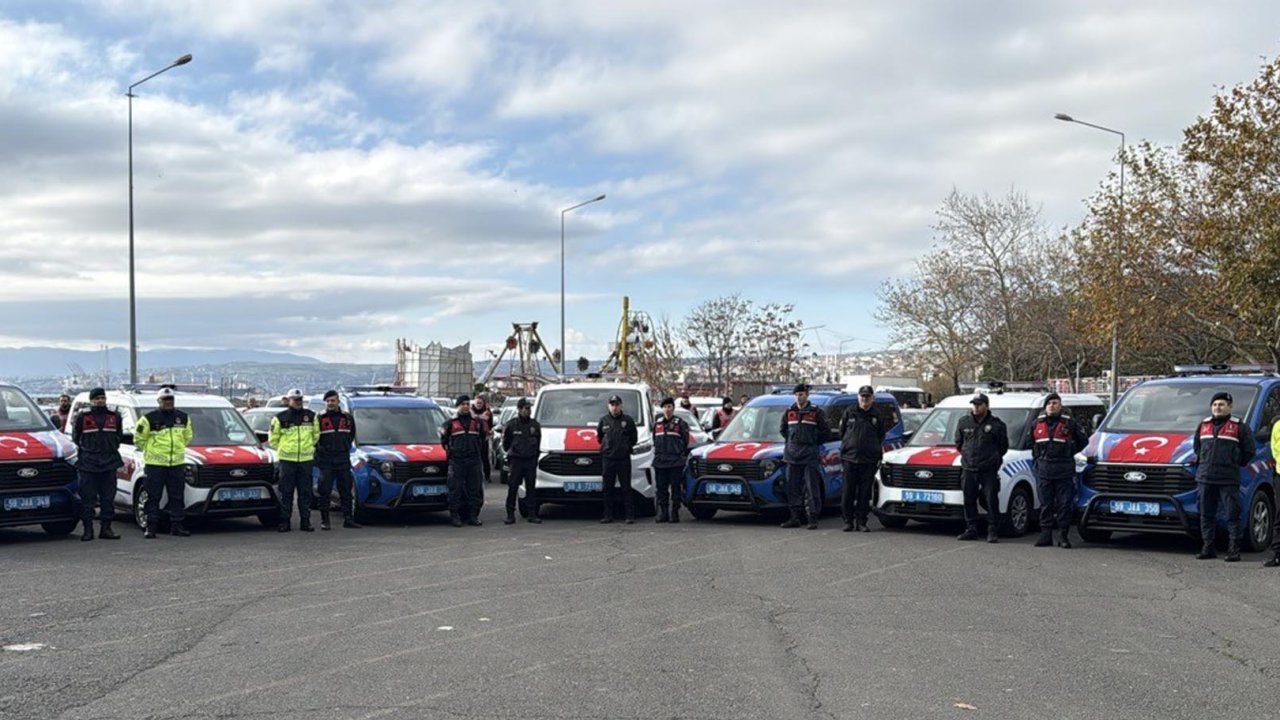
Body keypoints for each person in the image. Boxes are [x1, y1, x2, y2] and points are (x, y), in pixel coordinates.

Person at [1193, 391, 1254, 561]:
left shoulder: (1239, 426)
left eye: (1221, 404)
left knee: (1232, 515)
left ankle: (1234, 549)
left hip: (1228, 478)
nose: (1217, 407)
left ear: (1230, 406)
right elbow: (1197, 448)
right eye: (1214, 405)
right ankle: (1208, 548)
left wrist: (1233, 463)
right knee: (1206, 514)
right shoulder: (1203, 425)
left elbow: (1249, 451)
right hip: (1205, 477)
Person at [133, 386, 193, 538]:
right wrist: (152, 451)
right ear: (158, 401)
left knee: (177, 496)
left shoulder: (183, 418)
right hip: (155, 465)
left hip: (176, 464)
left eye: (170, 400)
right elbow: (139, 439)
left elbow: (187, 437)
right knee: (153, 497)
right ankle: (151, 526)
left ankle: (177, 525)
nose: (168, 402)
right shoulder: (148, 419)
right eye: (165, 400)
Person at [1030, 393, 1089, 549]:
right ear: (1045, 406)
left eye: (1055, 403)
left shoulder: (1069, 424)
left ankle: (1063, 536)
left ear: (1060, 406)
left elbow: (1083, 441)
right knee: (1045, 505)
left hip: (1064, 470)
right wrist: (1037, 461)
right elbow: (1032, 444)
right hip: (1044, 470)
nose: (1052, 405)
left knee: (1064, 505)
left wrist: (1069, 452)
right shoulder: (1036, 424)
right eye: (1049, 403)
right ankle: (1045, 535)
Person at [69, 387, 123, 541]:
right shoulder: (83, 416)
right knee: (88, 499)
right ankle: (88, 530)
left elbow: (118, 435)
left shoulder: (115, 416)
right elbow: (76, 437)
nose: (100, 400)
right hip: (88, 463)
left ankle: (106, 529)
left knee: (108, 498)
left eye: (102, 398)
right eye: (97, 398)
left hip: (109, 462)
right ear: (91, 400)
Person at [955, 394, 1009, 543]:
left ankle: (992, 530)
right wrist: (968, 457)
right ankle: (971, 528)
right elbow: (959, 443)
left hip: (988, 470)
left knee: (991, 500)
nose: (976, 407)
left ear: (986, 406)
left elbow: (1003, 447)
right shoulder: (964, 422)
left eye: (979, 404)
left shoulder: (997, 424)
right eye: (974, 404)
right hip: (969, 467)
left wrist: (992, 460)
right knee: (969, 499)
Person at [779, 384, 829, 530]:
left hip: (809, 455)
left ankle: (812, 518)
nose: (798, 397)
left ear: (807, 395)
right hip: (792, 455)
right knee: (792, 488)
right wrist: (792, 443)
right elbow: (783, 430)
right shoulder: (789, 411)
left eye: (801, 394)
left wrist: (812, 442)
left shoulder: (816, 411)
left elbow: (825, 431)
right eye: (796, 395)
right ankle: (794, 517)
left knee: (811, 488)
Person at [270, 388, 319, 533]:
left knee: (305, 493)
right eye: (295, 400)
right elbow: (273, 440)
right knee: (286, 493)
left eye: (300, 400)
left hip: (305, 460)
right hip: (287, 460)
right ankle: (285, 522)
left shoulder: (311, 416)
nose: (298, 402)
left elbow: (316, 436)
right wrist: (285, 450)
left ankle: (306, 522)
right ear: (289, 400)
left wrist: (309, 448)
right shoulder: (279, 418)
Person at [839, 385, 886, 532]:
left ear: (872, 398)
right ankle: (848, 521)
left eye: (867, 397)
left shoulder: (877, 415)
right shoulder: (849, 412)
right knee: (848, 492)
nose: (865, 399)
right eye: (862, 396)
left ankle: (861, 521)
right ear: (858, 397)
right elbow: (842, 432)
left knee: (865, 493)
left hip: (869, 460)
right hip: (850, 458)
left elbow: (881, 435)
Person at [315, 390, 360, 530]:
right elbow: (314, 437)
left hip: (342, 459)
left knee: (345, 491)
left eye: (333, 401)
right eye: (328, 401)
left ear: (338, 401)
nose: (330, 403)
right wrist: (321, 450)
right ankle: (325, 521)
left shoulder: (347, 418)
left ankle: (348, 519)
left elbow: (352, 434)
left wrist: (345, 446)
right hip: (326, 460)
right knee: (325, 491)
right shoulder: (319, 418)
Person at [442, 395, 486, 527]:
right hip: (457, 461)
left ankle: (473, 516)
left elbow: (483, 439)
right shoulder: (450, 424)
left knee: (475, 489)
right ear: (458, 406)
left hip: (474, 461)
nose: (466, 406)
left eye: (467, 404)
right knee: (455, 490)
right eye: (463, 404)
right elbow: (444, 442)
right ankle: (455, 516)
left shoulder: (477, 423)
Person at [597, 394, 638, 524]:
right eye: (612, 405)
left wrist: (625, 447)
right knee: (608, 488)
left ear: (621, 406)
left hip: (623, 459)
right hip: (608, 459)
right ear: (608, 406)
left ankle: (629, 516)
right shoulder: (603, 420)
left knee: (626, 487)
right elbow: (599, 437)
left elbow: (633, 438)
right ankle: (608, 515)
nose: (615, 407)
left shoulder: (628, 420)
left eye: (617, 405)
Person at [501, 398, 542, 525]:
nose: (528, 411)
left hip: (530, 460)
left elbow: (538, 441)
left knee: (531, 488)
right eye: (525, 408)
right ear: (519, 409)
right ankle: (510, 515)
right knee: (513, 487)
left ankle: (532, 514)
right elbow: (506, 444)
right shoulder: (511, 424)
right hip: (516, 461)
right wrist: (512, 453)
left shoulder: (535, 425)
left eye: (529, 408)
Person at [653, 397, 692, 524]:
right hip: (660, 461)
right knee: (661, 489)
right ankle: (663, 513)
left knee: (676, 488)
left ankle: (674, 512)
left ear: (673, 408)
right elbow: (654, 440)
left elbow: (685, 441)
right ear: (662, 408)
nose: (667, 409)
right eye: (665, 407)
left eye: (669, 406)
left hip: (675, 461)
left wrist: (678, 452)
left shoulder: (680, 423)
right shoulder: (657, 423)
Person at [472, 396, 495, 483]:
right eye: (477, 403)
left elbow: (490, 425)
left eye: (480, 403)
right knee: (473, 458)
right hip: (473, 438)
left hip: (484, 438)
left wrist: (488, 435)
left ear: (483, 404)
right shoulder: (470, 412)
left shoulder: (488, 413)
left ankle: (487, 476)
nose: (478, 405)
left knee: (485, 458)